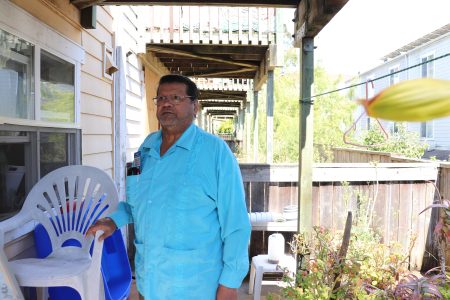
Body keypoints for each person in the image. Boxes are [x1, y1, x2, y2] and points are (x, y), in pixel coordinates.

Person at [87, 74, 251, 299]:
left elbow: (236, 223)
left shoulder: (217, 153)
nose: (167, 103)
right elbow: (138, 202)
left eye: (176, 97)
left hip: (195, 286)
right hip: (149, 281)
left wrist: (230, 283)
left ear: (195, 106)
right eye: (161, 98)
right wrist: (114, 220)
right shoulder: (143, 150)